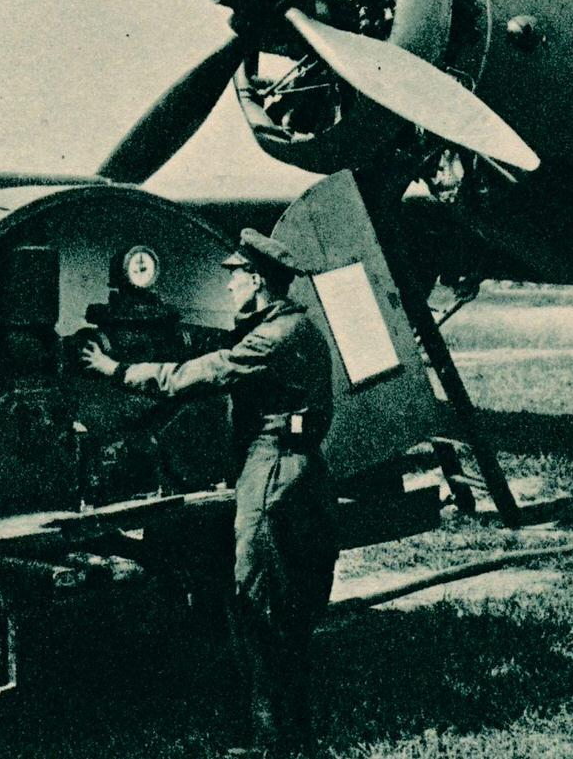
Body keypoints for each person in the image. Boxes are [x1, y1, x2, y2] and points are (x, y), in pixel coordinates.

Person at [80, 229, 336, 757]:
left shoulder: (274, 337)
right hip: (298, 468)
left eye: (236, 276)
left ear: (259, 282)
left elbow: (200, 375)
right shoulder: (298, 328)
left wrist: (115, 370)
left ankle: (271, 745)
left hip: (272, 475)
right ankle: (292, 738)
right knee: (287, 612)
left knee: (257, 605)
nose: (227, 287)